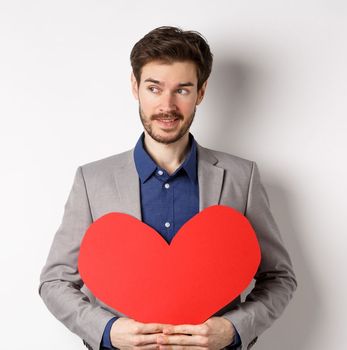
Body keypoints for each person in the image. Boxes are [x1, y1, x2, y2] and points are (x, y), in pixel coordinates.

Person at [38, 26, 297, 350]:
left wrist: (232, 329)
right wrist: (107, 331)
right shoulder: (93, 181)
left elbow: (279, 278)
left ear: (201, 92)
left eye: (182, 90)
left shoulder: (241, 178)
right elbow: (55, 281)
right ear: (135, 87)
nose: (167, 105)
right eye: (154, 88)